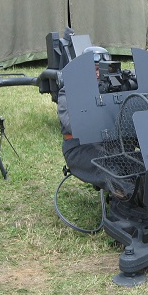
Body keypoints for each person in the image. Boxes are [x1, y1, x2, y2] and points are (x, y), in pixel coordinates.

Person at [57, 46, 110, 189]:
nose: (98, 74)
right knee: (113, 169)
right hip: (79, 147)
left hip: (112, 144)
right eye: (94, 69)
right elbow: (72, 124)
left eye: (101, 70)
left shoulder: (113, 90)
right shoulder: (68, 92)